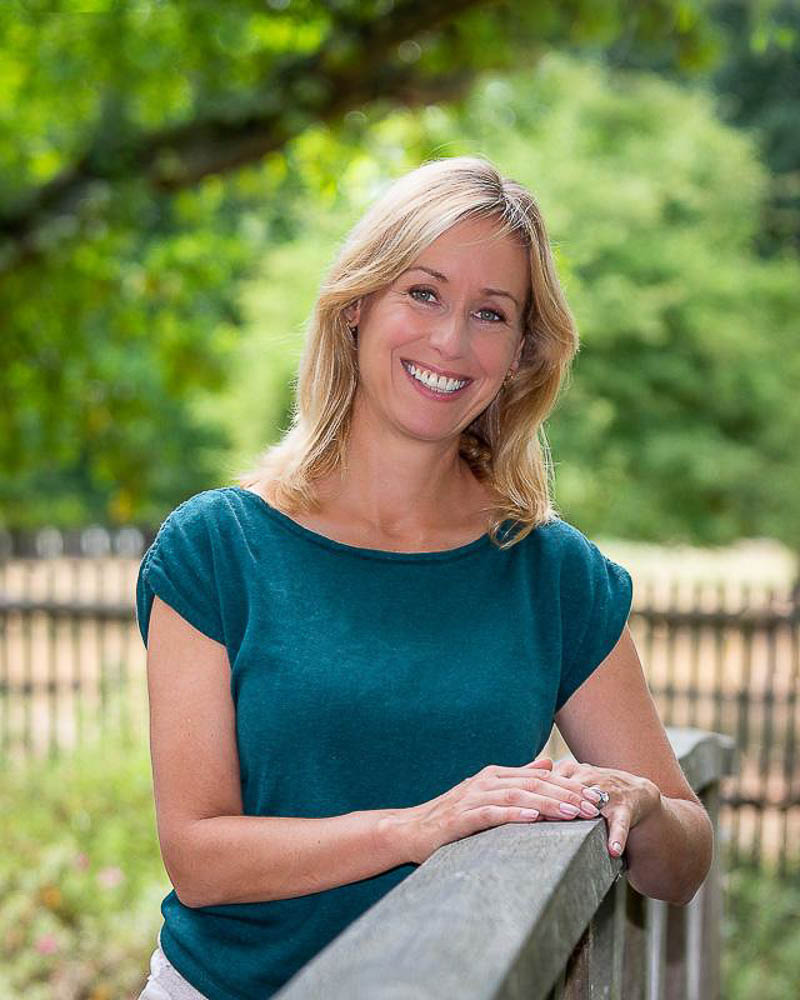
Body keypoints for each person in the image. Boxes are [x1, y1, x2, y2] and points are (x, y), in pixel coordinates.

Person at [135, 155, 713, 1000]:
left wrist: (645, 807)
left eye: (491, 313)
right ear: (357, 306)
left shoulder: (552, 573)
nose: (450, 341)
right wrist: (418, 828)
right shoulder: (217, 548)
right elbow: (199, 860)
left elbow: (684, 858)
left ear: (520, 353)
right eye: (423, 293)